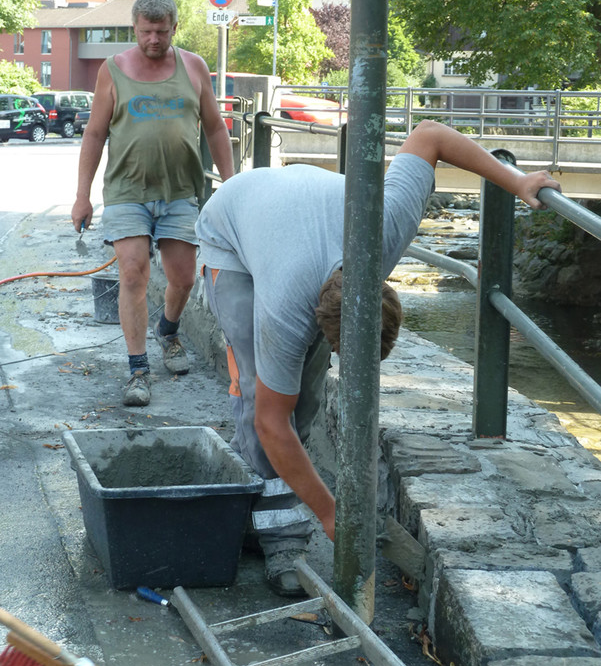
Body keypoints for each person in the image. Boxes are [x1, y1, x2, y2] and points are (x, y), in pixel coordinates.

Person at [196, 119, 561, 596]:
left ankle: (254, 496)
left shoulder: (388, 228)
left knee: (302, 397)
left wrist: (517, 182)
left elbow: (429, 135)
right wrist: (331, 514)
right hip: (232, 230)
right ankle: (281, 537)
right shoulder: (285, 309)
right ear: (321, 326)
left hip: (298, 216)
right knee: (257, 393)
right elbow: (270, 420)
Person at [71, 0, 234, 407]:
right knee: (132, 274)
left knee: (183, 278)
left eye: (161, 32)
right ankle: (138, 369)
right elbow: (95, 133)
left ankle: (168, 331)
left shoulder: (194, 67)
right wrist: (82, 196)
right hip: (127, 191)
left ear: (174, 27)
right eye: (146, 32)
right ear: (135, 28)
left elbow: (215, 128)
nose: (154, 40)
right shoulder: (113, 70)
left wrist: (233, 186)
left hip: (180, 192)